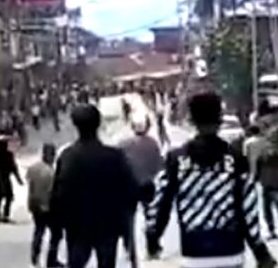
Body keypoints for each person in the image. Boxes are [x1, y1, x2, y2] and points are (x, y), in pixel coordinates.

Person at [146, 92, 276, 268]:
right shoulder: (236, 158)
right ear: (220, 119)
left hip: (194, 253)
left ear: (191, 120)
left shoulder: (176, 159)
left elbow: (161, 202)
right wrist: (261, 252)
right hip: (231, 252)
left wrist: (153, 238)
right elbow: (248, 209)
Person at [50, 104, 138, 268]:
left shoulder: (68, 156)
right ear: (98, 124)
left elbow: (59, 194)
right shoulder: (114, 156)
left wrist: (57, 228)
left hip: (77, 225)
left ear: (75, 125)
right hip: (108, 224)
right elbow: (130, 190)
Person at [117, 111, 163, 268]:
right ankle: (153, 246)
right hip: (147, 185)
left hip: (128, 186)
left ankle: (129, 248)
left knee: (127, 220)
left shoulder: (123, 144)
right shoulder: (153, 143)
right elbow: (158, 165)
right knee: (151, 217)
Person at [27, 143, 64, 267]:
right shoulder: (51, 172)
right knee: (56, 234)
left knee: (39, 230)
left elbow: (31, 186)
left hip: (35, 204)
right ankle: (51, 260)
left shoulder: (33, 168)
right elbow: (53, 191)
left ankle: (35, 255)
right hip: (48, 206)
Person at [0, 137, 23, 222]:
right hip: (5, 178)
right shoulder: (8, 155)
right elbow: (13, 167)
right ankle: (5, 215)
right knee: (8, 197)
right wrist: (18, 178)